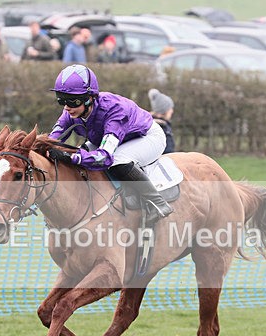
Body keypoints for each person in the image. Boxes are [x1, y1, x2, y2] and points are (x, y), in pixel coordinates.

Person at [46, 65, 174, 225]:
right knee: (82, 154)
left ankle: (158, 203)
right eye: (62, 100)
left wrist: (72, 157)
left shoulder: (115, 111)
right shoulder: (71, 112)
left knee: (117, 161)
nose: (66, 107)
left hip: (147, 137)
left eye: (72, 101)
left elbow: (104, 157)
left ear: (90, 98)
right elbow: (50, 141)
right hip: (112, 138)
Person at [148, 88, 176, 154]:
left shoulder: (151, 124)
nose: (172, 111)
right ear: (164, 111)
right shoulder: (161, 127)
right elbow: (168, 152)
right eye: (170, 109)